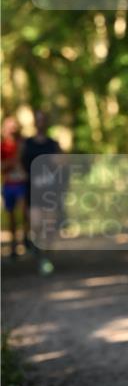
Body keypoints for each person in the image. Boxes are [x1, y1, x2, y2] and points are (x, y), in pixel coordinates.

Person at [21, 109, 62, 275]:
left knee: (50, 226)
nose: (40, 122)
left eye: (42, 119)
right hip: (33, 188)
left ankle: (46, 255)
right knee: (37, 224)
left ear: (46, 122)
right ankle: (39, 252)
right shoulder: (27, 143)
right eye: (37, 119)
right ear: (34, 122)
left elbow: (63, 163)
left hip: (50, 189)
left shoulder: (53, 143)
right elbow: (19, 163)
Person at [1, 116, 29, 259]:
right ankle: (13, 245)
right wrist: (11, 163)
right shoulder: (3, 145)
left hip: (21, 184)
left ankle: (25, 238)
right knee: (11, 215)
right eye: (9, 126)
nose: (12, 129)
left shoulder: (23, 143)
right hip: (8, 184)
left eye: (14, 126)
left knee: (24, 212)